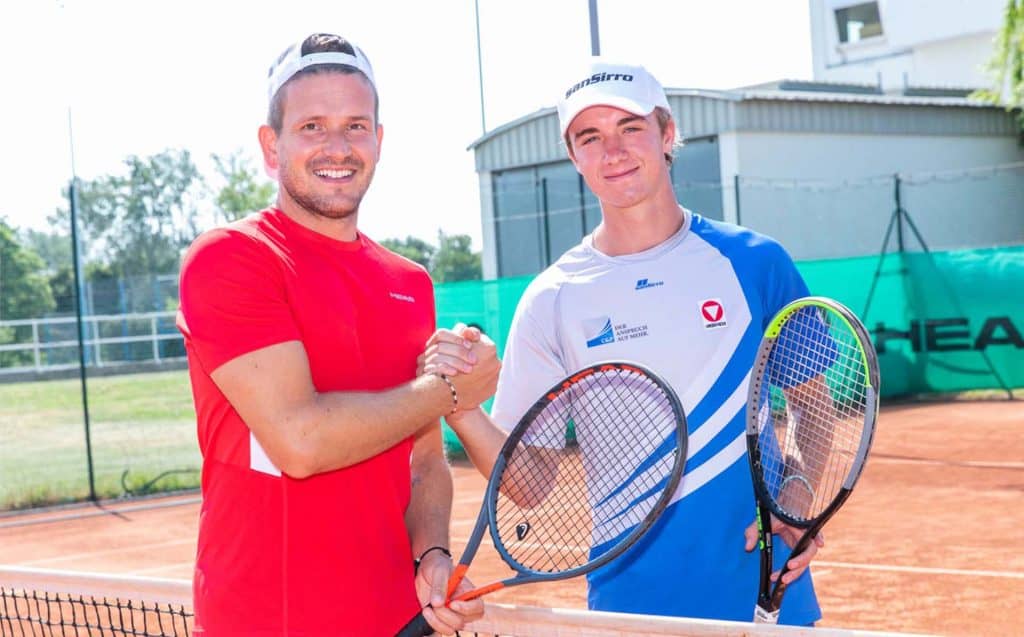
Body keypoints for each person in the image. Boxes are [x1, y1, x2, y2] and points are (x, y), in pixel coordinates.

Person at [421, 59, 824, 625]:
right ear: (574, 156)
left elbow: (814, 404)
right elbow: (530, 484)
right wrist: (461, 409)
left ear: (666, 133)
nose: (612, 151)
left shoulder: (755, 262)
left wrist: (800, 500)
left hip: (767, 590)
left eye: (630, 128)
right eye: (591, 136)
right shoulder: (551, 299)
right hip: (630, 605)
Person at [175, 32, 497, 636]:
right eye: (312, 126)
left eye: (356, 125)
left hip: (396, 620)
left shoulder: (411, 283)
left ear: (379, 140)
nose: (338, 146)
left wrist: (431, 555)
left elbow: (423, 459)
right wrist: (454, 390)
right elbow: (300, 441)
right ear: (272, 146)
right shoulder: (231, 259)